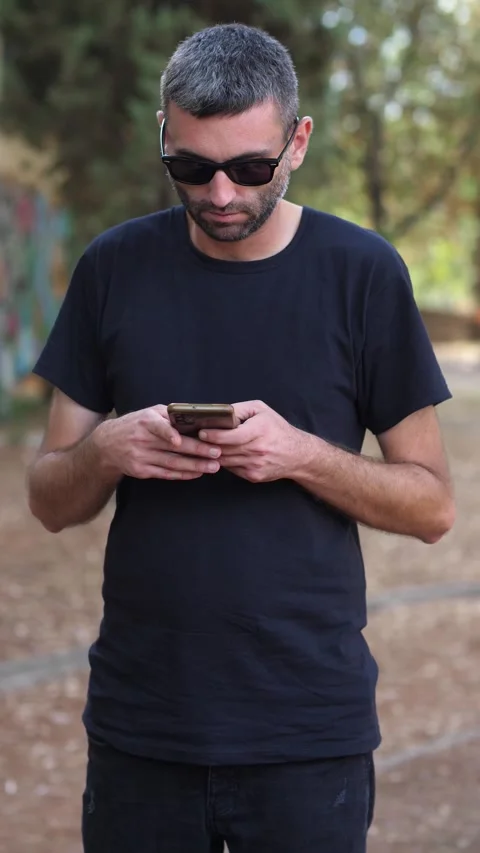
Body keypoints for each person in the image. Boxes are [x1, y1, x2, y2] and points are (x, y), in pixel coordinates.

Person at [27, 22, 455, 853]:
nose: (220, 193)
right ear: (163, 137)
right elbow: (48, 496)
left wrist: (300, 454)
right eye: (191, 168)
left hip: (307, 733)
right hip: (142, 728)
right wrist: (109, 449)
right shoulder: (112, 268)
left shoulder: (363, 274)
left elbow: (432, 504)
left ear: (297, 140)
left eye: (250, 168)